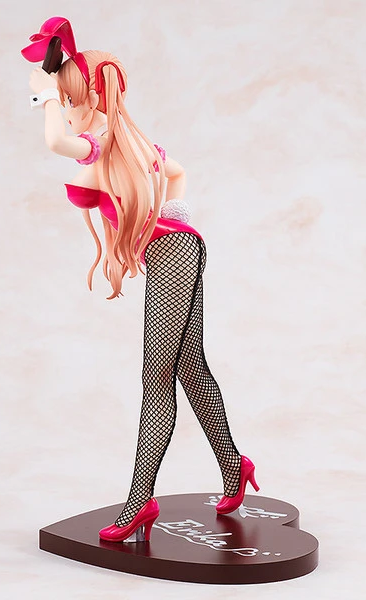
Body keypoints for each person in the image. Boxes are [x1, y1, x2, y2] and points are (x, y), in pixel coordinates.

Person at [22, 17, 259, 543]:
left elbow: (57, 141)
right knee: (189, 367)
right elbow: (176, 172)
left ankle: (139, 501)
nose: (67, 105)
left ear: (87, 96)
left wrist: (47, 97)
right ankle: (235, 465)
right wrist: (146, 228)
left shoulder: (101, 140)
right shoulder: (121, 141)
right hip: (175, 248)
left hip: (173, 252)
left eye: (71, 96)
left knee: (157, 377)